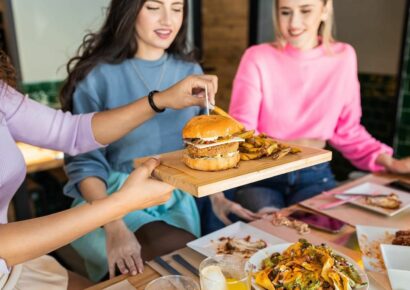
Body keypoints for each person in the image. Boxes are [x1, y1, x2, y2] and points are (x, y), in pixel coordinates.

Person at [60, 0, 255, 282]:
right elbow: (84, 164)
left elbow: (203, 150)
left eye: (177, 8)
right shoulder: (96, 76)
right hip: (111, 197)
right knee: (178, 262)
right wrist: (114, 225)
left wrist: (218, 199)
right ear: (128, 10)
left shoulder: (190, 70)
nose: (168, 20)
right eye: (154, 7)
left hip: (176, 195)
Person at [0, 48, 216, 290]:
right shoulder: (97, 75)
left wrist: (160, 100)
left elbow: (69, 132)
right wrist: (119, 206)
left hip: (16, 268)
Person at [228, 0, 410, 212]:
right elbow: (242, 134)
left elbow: (348, 131)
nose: (294, 23)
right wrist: (299, 144)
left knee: (323, 235)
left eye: (305, 10)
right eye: (285, 12)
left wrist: (391, 163)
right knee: (268, 231)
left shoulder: (343, 56)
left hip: (314, 173)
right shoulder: (257, 57)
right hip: (263, 173)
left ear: (325, 10)